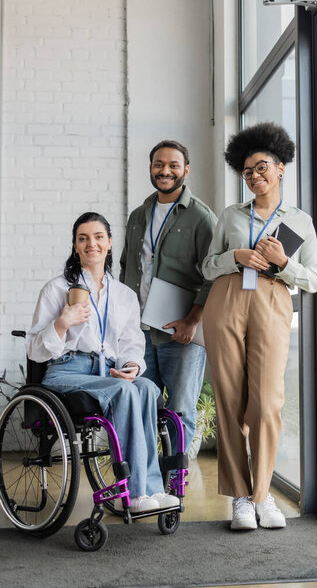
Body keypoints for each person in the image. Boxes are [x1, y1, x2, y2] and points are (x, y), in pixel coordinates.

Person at [202, 122, 317, 530]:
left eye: (262, 166)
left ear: (281, 167)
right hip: (228, 300)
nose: (255, 176)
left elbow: (314, 279)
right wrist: (236, 255)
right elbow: (207, 266)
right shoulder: (231, 216)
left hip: (273, 298)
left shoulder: (300, 221)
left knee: (268, 402)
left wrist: (285, 263)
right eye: (248, 171)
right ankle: (240, 497)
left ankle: (263, 494)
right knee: (230, 399)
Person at [27, 211, 179, 513]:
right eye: (83, 239)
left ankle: (152, 488)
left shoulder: (123, 295)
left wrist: (133, 366)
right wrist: (61, 323)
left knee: (147, 388)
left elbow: (132, 344)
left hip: (108, 371)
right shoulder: (57, 289)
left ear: (109, 243)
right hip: (66, 371)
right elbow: (34, 349)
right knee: (123, 391)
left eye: (98, 237)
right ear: (75, 246)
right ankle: (135, 493)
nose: (91, 244)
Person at [120, 140, 218, 453]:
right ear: (150, 169)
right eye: (158, 164)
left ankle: (174, 486)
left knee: (181, 411)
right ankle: (147, 482)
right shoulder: (138, 215)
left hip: (180, 333)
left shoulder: (201, 218)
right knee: (140, 405)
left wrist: (193, 321)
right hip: (140, 333)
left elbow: (214, 275)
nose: (165, 171)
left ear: (185, 170)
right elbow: (127, 269)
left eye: (173, 165)